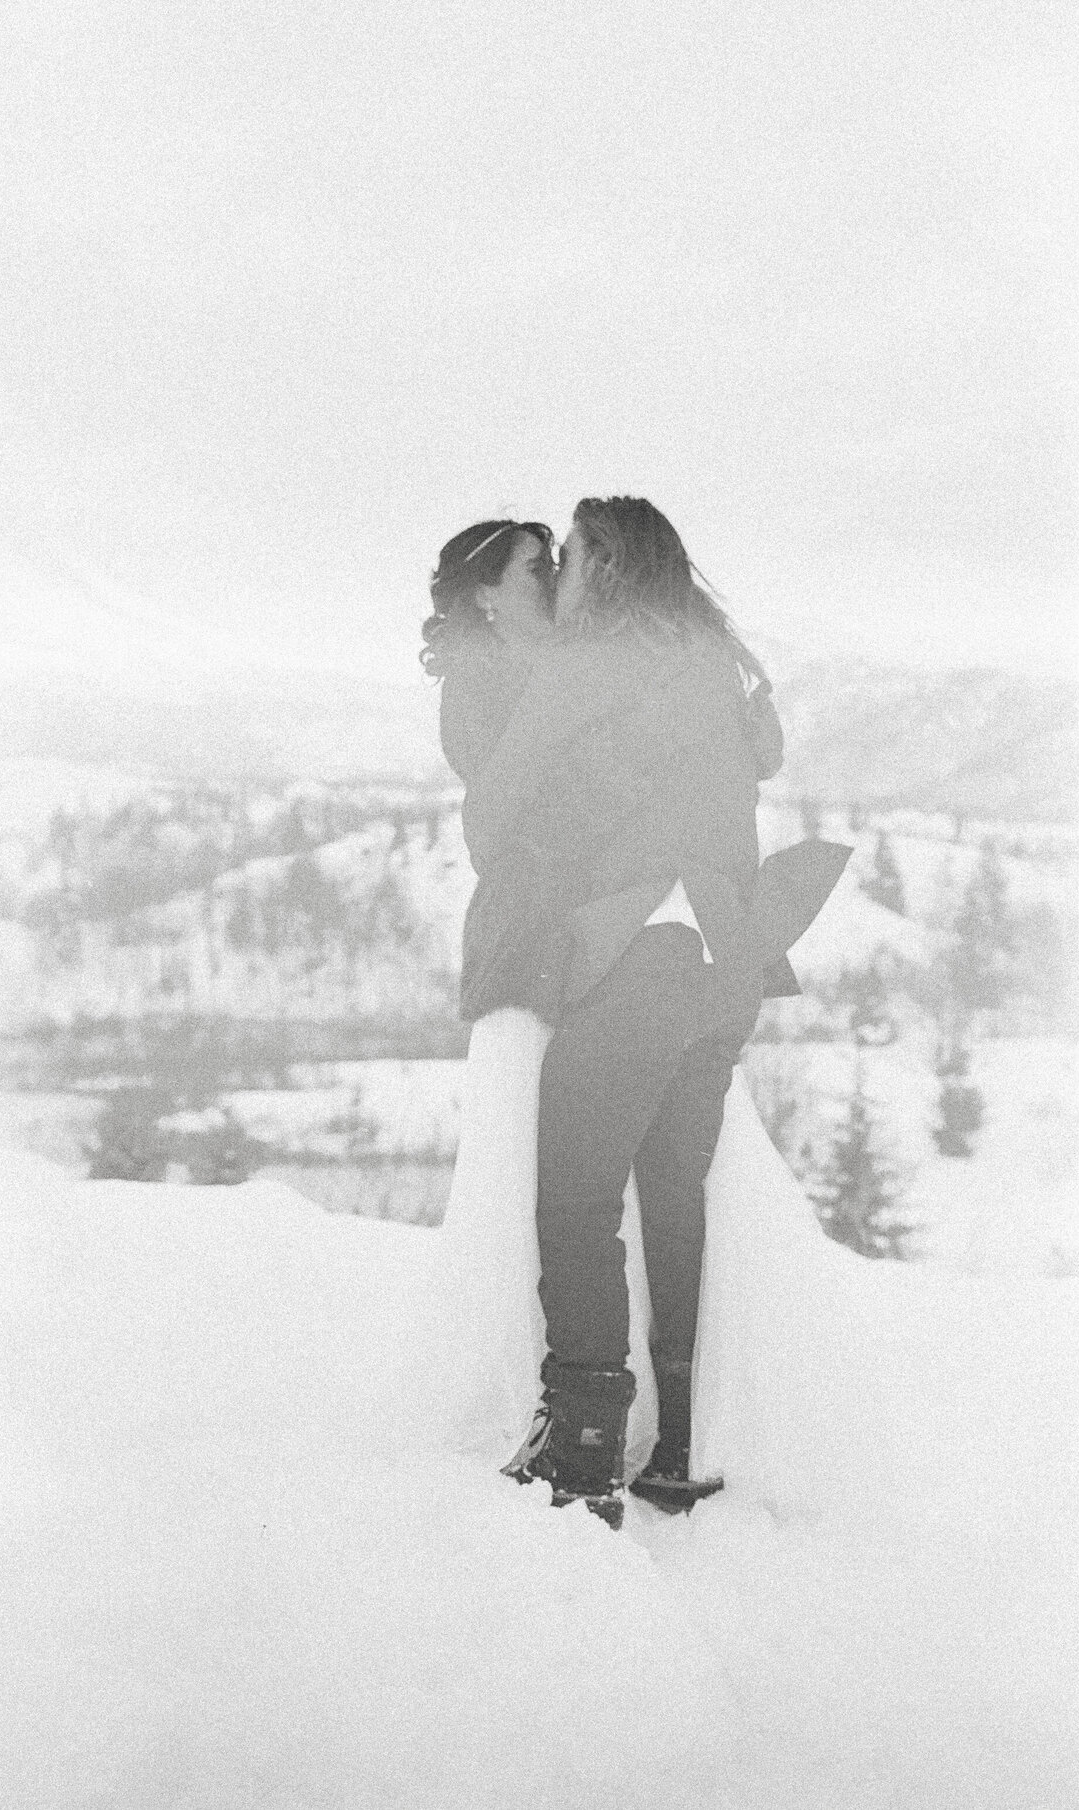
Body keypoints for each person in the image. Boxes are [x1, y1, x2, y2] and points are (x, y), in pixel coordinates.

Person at [428, 500, 849, 1528]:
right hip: (728, 967)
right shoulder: (707, 663)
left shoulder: (590, 669)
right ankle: (681, 1447)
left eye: (570, 557)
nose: (561, 572)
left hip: (651, 960)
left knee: (573, 1203)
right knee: (673, 1199)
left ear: (606, 569)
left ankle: (581, 1446)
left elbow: (494, 819)